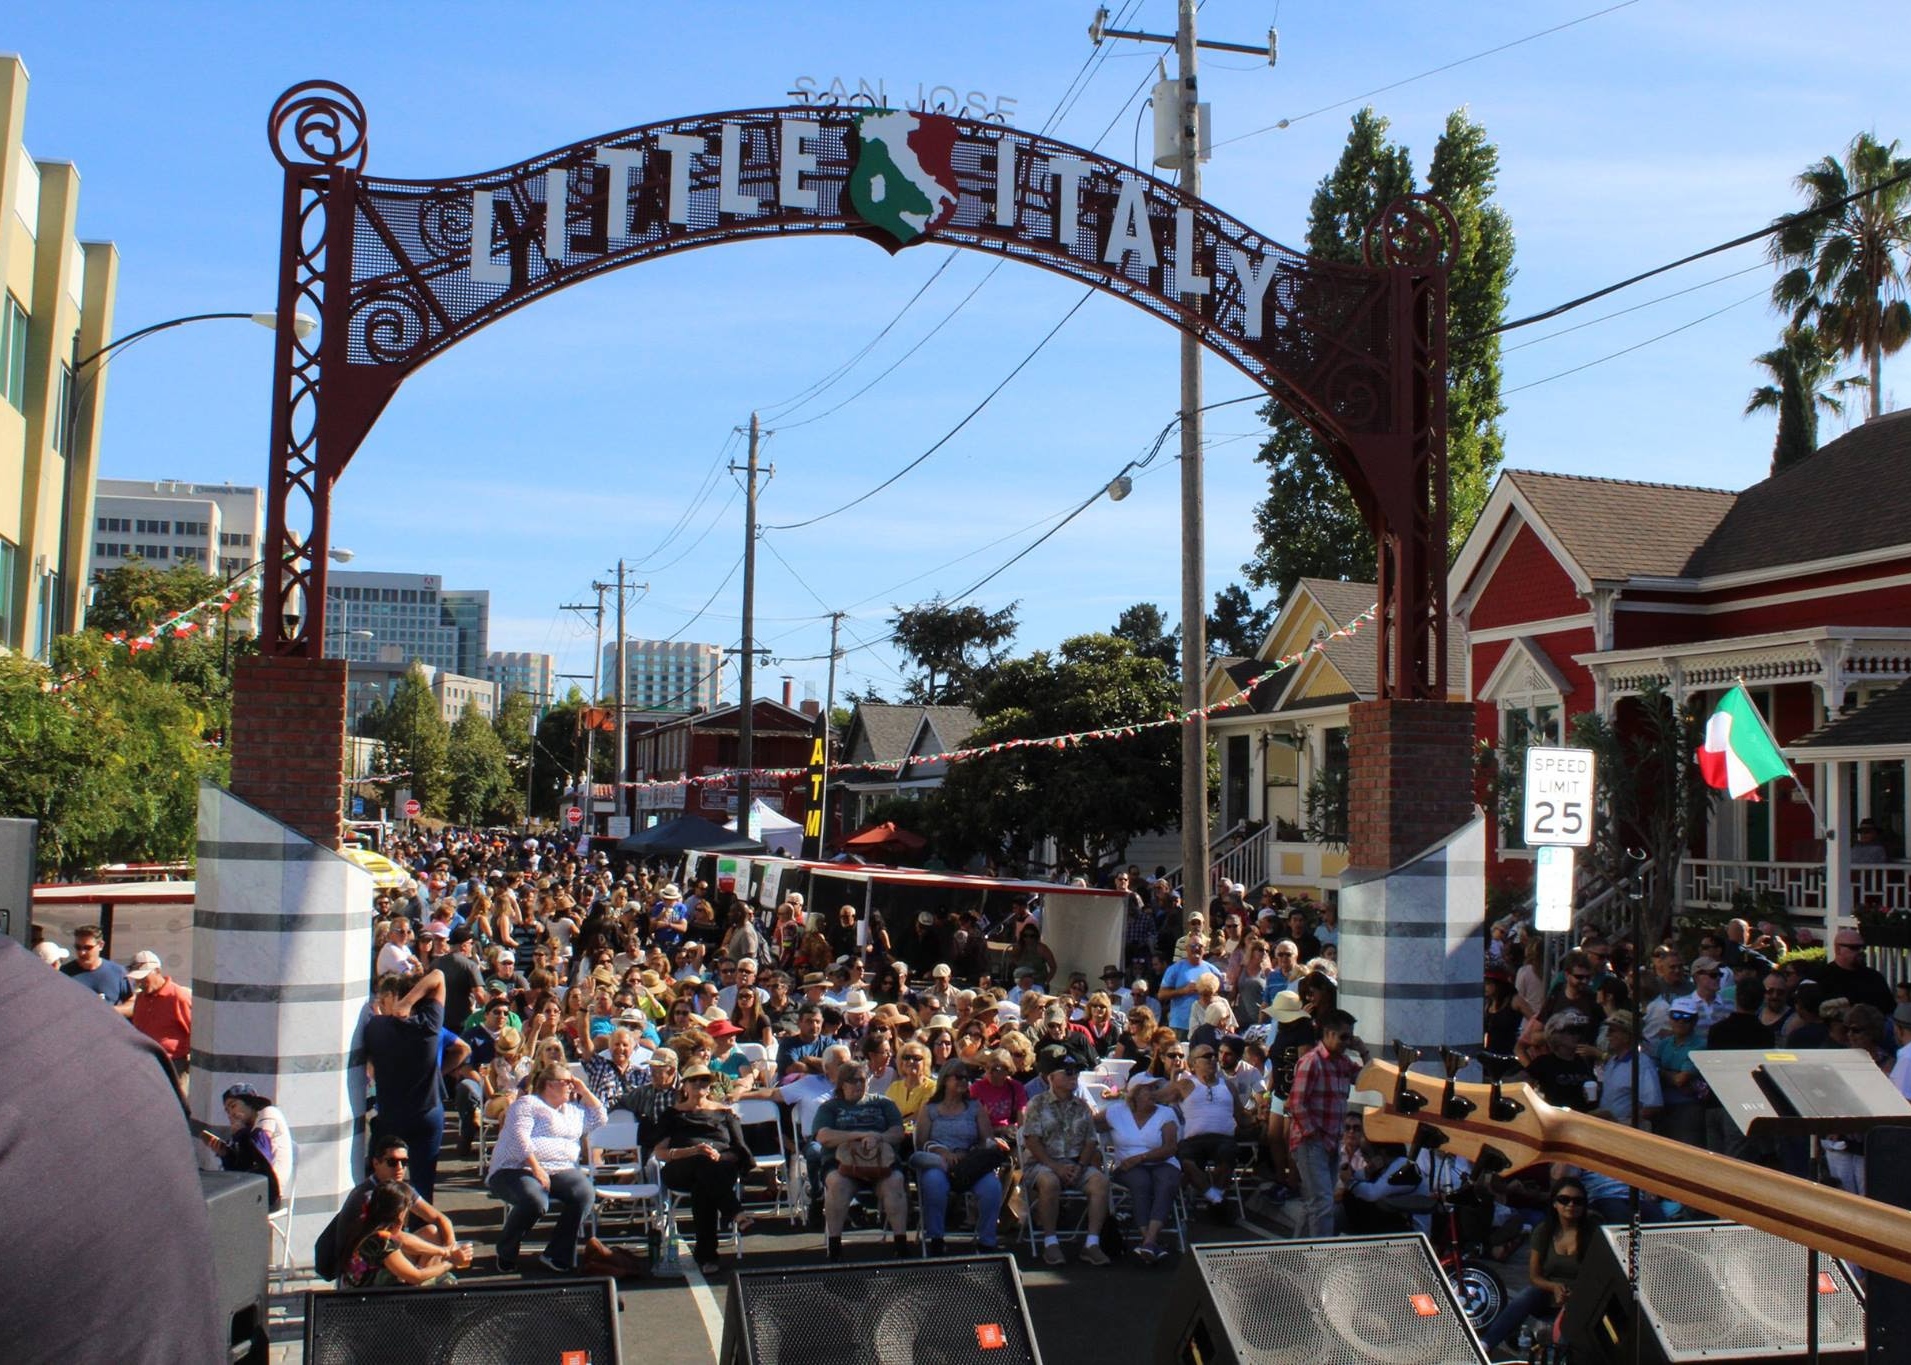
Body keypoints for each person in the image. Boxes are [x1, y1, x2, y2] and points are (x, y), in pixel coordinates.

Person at [485, 1063, 607, 1273]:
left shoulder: (574, 1111)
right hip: (516, 1168)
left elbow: (600, 1117)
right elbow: (519, 1139)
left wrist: (583, 1090)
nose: (572, 1086)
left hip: (560, 1169)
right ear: (549, 1085)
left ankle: (556, 1253)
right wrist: (536, 1168)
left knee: (584, 1193)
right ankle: (506, 1250)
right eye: (567, 1082)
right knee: (535, 1199)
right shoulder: (528, 1104)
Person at [317, 1136, 470, 1282]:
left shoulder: (396, 1191)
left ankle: (416, 1295)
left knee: (432, 1232)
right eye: (392, 1162)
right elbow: (413, 1270)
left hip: (373, 1260)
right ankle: (414, 1298)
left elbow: (438, 1219)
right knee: (442, 1280)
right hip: (363, 1285)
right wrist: (450, 1260)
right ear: (376, 1163)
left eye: (404, 1162)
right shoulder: (371, 1198)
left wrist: (448, 1249)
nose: (399, 1168)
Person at [654, 1064, 758, 1274]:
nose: (699, 1084)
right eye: (694, 1080)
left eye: (704, 1080)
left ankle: (707, 1257)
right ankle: (735, 1212)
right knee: (702, 1162)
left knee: (704, 1183)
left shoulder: (725, 1113)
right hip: (680, 1167)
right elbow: (660, 1153)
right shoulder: (673, 1114)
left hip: (720, 1167)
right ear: (685, 1086)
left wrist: (720, 1156)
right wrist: (691, 1151)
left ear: (710, 1086)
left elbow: (740, 1151)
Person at [1480, 1176, 1600, 1352]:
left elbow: (1597, 1276)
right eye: (1564, 1200)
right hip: (1549, 1291)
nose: (1571, 1205)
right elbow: (1534, 1276)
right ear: (1554, 1203)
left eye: (1578, 1201)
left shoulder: (1593, 1233)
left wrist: (1573, 1293)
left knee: (1573, 1315)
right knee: (1528, 1294)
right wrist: (1554, 1287)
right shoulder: (1544, 1230)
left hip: (1580, 1295)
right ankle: (1487, 1343)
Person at [365, 968, 451, 1202]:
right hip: (427, 1114)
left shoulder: (376, 1028)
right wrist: (408, 1001)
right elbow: (438, 976)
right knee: (423, 1187)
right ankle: (423, 1229)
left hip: (392, 1117)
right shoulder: (430, 1026)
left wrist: (398, 1005)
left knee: (386, 1185)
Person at [1021, 1053, 1111, 1265]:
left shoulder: (1081, 1106)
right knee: (1050, 1182)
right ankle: (1050, 1243)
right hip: (1042, 1164)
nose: (1074, 1077)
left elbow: (1090, 1141)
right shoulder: (1037, 1104)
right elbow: (1032, 1141)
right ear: (1051, 1078)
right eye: (1068, 1072)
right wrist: (1055, 1167)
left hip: (1075, 1164)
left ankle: (1092, 1243)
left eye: (1076, 1072)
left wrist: (1080, 1166)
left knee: (1101, 1182)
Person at [814, 1062, 910, 1259]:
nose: (859, 1084)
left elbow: (898, 1133)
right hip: (842, 1162)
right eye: (853, 1080)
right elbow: (824, 1136)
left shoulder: (884, 1103)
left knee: (895, 1182)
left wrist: (877, 1138)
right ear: (842, 1084)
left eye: (862, 1080)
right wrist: (859, 1135)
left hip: (880, 1160)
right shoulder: (830, 1107)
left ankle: (901, 1245)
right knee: (838, 1184)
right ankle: (834, 1246)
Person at [1286, 1009, 1368, 1238]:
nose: (1346, 1042)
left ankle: (1295, 1253)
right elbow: (1296, 1103)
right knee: (1322, 1202)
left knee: (1315, 1202)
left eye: (1349, 1037)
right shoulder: (1311, 1062)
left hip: (1331, 1141)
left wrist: (1363, 1051)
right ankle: (1319, 1257)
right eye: (1343, 1037)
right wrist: (1313, 1135)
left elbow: (1367, 1079)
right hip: (1312, 1143)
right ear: (1328, 1034)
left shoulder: (1343, 1062)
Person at [912, 1065, 1007, 1255]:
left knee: (992, 1188)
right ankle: (936, 1238)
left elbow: (986, 1140)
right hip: (939, 1161)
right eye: (959, 1077)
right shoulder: (930, 1109)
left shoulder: (975, 1107)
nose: (965, 1081)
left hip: (969, 1164)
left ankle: (987, 1240)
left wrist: (969, 1153)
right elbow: (922, 1142)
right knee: (933, 1183)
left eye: (967, 1077)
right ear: (946, 1080)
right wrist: (943, 1153)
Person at [1096, 1073, 1180, 1263]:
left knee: (1166, 1183)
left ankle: (1148, 1241)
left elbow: (1170, 1148)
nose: (1153, 1093)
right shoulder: (1116, 1111)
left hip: (1162, 1162)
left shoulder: (1166, 1113)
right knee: (1141, 1183)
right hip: (1127, 1167)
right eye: (1147, 1089)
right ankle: (1150, 1242)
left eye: (1155, 1088)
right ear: (1134, 1093)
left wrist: (1141, 1157)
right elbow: (1090, 1124)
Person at [1161, 1042, 1250, 1216]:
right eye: (1207, 1056)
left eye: (1213, 1056)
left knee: (1228, 1157)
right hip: (1194, 1139)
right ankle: (1217, 1201)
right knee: (1187, 1162)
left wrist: (1259, 1117)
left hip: (1223, 1138)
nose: (1213, 1059)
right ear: (1193, 1063)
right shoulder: (1186, 1085)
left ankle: (1215, 1201)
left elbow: (1242, 1117)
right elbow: (1159, 1098)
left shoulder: (1228, 1086)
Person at [338, 1181, 464, 1288]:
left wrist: (444, 1251)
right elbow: (416, 1276)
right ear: (399, 1212)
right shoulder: (382, 1241)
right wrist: (451, 1262)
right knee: (446, 1280)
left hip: (360, 1295)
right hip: (368, 1305)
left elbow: (405, 1240)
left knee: (431, 1233)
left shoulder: (369, 1227)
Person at [204, 1083, 295, 1210]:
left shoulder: (268, 1113)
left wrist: (241, 1134)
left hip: (269, 1193)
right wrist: (226, 1155)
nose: (231, 1114)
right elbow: (243, 1167)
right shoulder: (248, 1130)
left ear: (249, 1102)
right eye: (227, 1111)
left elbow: (262, 1155)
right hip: (255, 1189)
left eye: (233, 1106)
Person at [118, 951, 192, 1086]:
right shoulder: (141, 998)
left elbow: (195, 1032)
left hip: (173, 1064)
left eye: (144, 977)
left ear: (157, 971)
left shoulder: (178, 996)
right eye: (137, 979)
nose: (140, 982)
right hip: (145, 1063)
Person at [1810, 930, 1895, 1015]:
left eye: (1863, 947)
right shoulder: (1820, 977)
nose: (1861, 951)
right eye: (1854, 947)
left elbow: (1889, 1009)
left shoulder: (1875, 977)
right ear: (1838, 949)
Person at [1158, 935, 1225, 1038]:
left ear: (1204, 949)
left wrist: (1207, 992)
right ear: (1186, 949)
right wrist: (1183, 990)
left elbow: (1222, 995)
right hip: (1180, 1025)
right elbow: (1161, 995)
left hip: (1205, 1025)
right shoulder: (1175, 969)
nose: (1196, 949)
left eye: (1199, 946)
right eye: (1193, 946)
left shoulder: (1212, 970)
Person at [60, 925, 132, 1004]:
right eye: (78, 947)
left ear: (101, 945)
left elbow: (132, 1003)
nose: (82, 953)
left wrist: (109, 1011)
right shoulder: (64, 973)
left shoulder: (118, 972)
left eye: (88, 948)